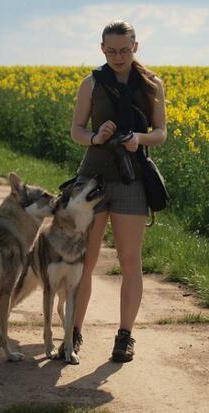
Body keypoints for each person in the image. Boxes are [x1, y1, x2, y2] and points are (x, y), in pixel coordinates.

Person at [68, 19, 168, 363]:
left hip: (132, 179)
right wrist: (96, 137)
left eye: (124, 50)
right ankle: (73, 333)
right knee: (85, 262)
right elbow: (76, 130)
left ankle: (125, 336)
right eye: (111, 51)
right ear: (102, 49)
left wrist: (137, 138)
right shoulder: (91, 83)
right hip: (93, 178)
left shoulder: (151, 83)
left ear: (135, 47)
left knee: (130, 261)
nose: (118, 57)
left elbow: (161, 133)